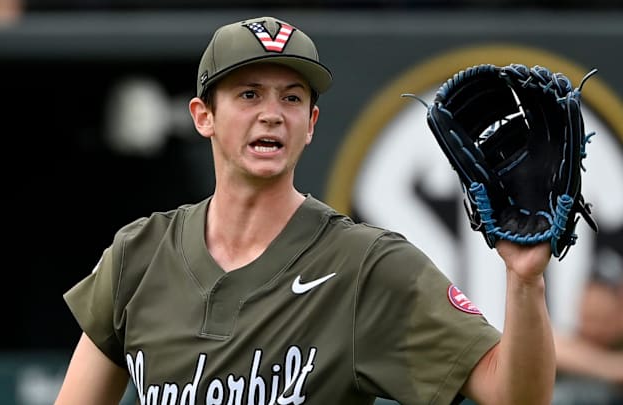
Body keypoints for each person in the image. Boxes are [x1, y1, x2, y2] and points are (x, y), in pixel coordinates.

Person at [54, 15, 555, 405]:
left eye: (291, 98)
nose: (272, 113)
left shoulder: (366, 266)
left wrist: (526, 280)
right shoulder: (138, 254)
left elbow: (514, 396)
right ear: (203, 116)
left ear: (311, 122)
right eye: (249, 94)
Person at [553, 248, 623, 405]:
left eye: (602, 319)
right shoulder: (568, 342)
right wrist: (611, 367)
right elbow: (547, 347)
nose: (594, 328)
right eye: (589, 318)